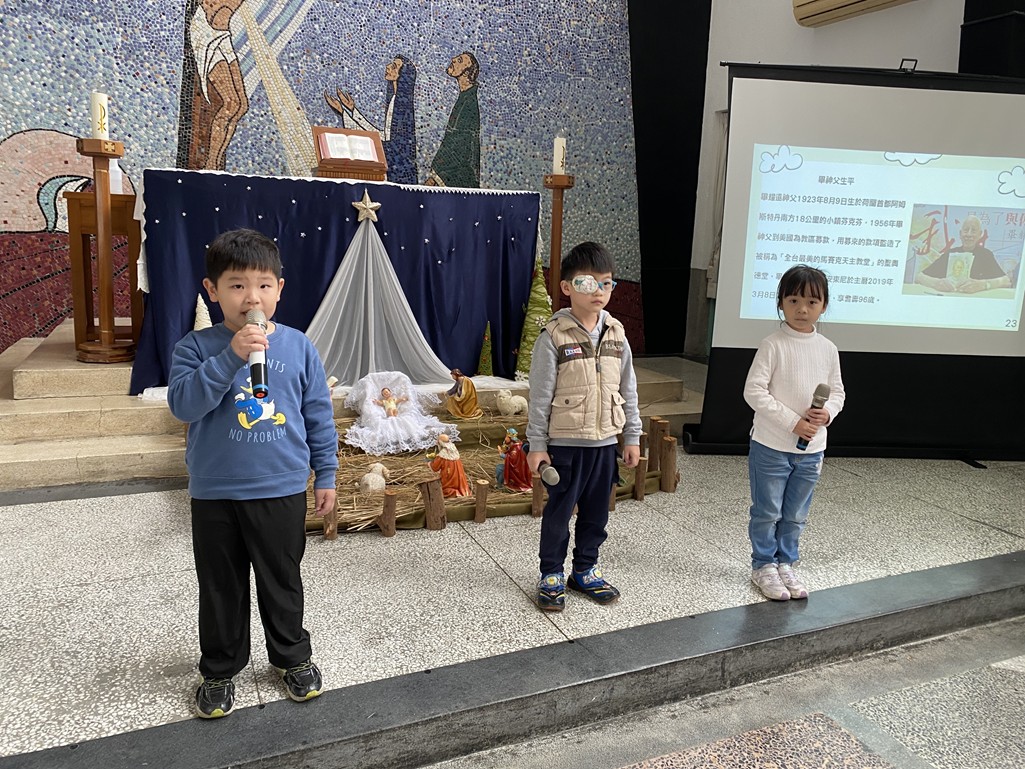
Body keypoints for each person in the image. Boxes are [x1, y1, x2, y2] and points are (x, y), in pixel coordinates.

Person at [167, 229, 338, 718]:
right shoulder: (196, 347)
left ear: (279, 289)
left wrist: (326, 473)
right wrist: (231, 356)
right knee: (220, 584)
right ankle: (220, 668)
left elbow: (317, 414)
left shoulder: (299, 346)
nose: (252, 298)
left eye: (263, 285)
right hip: (215, 492)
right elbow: (183, 405)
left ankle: (291, 657)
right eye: (237, 285)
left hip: (280, 486)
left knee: (281, 578)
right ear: (212, 289)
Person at [526, 242, 642, 612]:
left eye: (606, 283)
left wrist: (632, 436)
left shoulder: (617, 333)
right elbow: (540, 396)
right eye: (587, 283)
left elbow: (628, 389)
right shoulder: (553, 336)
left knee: (597, 514)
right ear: (566, 287)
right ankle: (551, 573)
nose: (598, 291)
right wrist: (537, 444)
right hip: (565, 445)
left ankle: (585, 570)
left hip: (605, 444)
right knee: (559, 514)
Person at [743, 265, 845, 602]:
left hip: (812, 450)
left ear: (824, 306)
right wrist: (792, 422)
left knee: (796, 514)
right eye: (793, 300)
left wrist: (827, 413)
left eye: (812, 302)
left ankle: (786, 563)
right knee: (767, 511)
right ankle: (763, 565)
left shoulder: (828, 348)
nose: (802, 309)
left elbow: (838, 392)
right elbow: (754, 392)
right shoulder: (772, 345)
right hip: (771, 446)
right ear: (781, 303)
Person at [177, 0, 250, 170]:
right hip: (206, 33)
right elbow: (215, 14)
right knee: (231, 103)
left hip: (223, 33)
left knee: (242, 106)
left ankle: (216, 161)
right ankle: (211, 163)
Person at [325, 54, 419, 184]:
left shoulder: (403, 109)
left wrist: (343, 113)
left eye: (394, 67)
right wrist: (352, 111)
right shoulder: (394, 100)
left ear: (402, 76)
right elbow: (383, 136)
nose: (388, 67)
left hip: (400, 178)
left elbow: (390, 145)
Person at [425, 52, 480, 188]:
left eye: (460, 60)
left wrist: (435, 176)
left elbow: (458, 144)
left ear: (467, 73)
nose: (453, 59)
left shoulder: (469, 103)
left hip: (459, 178)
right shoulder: (464, 97)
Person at [916, 215, 1011, 293]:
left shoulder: (986, 255)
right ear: (960, 234)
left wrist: (983, 285)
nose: (969, 234)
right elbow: (919, 277)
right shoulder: (951, 253)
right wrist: (936, 283)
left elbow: (1006, 281)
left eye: (973, 231)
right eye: (966, 230)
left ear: (980, 234)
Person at [430, 433, 471, 498]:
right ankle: (461, 491)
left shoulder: (443, 454)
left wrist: (430, 462)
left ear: (440, 443)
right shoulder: (454, 450)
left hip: (449, 477)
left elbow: (435, 468)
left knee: (445, 488)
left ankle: (455, 493)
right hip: (458, 476)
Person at [497, 427, 532, 492]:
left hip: (516, 471)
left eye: (506, 437)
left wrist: (500, 453)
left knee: (500, 469)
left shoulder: (516, 449)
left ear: (510, 438)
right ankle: (500, 484)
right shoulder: (514, 446)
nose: (505, 438)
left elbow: (512, 459)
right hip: (516, 468)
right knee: (500, 468)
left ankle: (500, 486)